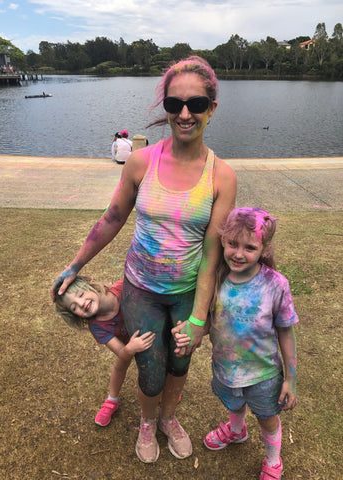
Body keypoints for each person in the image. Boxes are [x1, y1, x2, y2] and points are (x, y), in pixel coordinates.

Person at [51, 55, 237, 463]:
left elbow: (211, 254)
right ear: (166, 109)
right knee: (150, 371)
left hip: (188, 291)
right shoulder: (141, 161)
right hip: (141, 290)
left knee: (179, 364)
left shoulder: (222, 176)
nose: (185, 114)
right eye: (174, 105)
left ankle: (169, 419)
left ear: (212, 108)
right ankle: (148, 422)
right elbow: (113, 218)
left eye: (197, 104)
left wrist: (200, 318)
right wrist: (75, 265)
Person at [173, 207, 298, 479]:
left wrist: (291, 379)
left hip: (263, 374)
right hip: (225, 369)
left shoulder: (276, 285)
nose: (239, 253)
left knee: (267, 417)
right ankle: (237, 430)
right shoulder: (215, 279)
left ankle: (273, 460)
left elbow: (286, 332)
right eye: (232, 244)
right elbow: (208, 321)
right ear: (222, 241)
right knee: (233, 404)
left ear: (264, 249)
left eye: (249, 247)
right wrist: (191, 330)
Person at [54, 275, 156, 427]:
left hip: (149, 334)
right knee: (120, 365)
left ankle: (163, 389)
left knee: (158, 361)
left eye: (81, 295)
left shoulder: (123, 287)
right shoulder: (97, 326)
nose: (81, 304)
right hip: (127, 345)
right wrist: (131, 348)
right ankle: (111, 400)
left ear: (92, 286)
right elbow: (122, 353)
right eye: (74, 308)